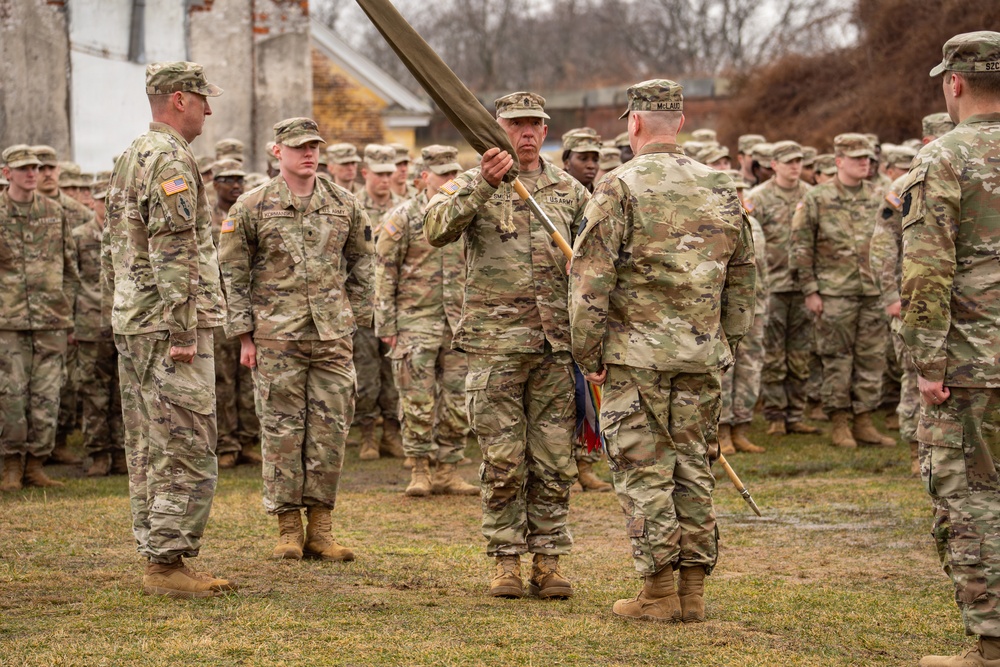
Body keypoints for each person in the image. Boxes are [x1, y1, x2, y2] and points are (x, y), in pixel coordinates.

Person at [569, 79, 755, 623]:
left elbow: (590, 279)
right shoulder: (722, 185)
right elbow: (743, 275)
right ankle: (692, 591)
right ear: (680, 121)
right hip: (700, 355)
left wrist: (587, 352)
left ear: (632, 124)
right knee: (694, 467)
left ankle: (658, 592)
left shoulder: (619, 185)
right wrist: (726, 343)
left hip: (635, 357)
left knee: (643, 468)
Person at [425, 91, 589, 600]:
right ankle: (504, 561)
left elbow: (595, 261)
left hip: (556, 346)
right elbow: (434, 229)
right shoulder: (476, 182)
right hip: (496, 346)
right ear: (496, 127)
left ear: (546, 130)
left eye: (533, 125)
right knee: (502, 458)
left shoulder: (569, 191)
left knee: (554, 459)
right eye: (515, 124)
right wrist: (480, 184)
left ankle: (548, 560)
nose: (524, 133)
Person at [102, 61, 236, 597]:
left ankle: (160, 553)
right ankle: (167, 562)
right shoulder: (168, 159)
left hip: (137, 320)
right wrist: (183, 330)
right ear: (179, 99)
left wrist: (122, 307)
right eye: (203, 98)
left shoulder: (133, 154)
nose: (210, 108)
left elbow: (110, 244)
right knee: (185, 440)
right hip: (167, 326)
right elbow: (174, 251)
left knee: (148, 442)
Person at [220, 117, 373, 564]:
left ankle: (321, 528)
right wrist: (245, 335)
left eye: (314, 146)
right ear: (277, 151)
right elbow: (230, 271)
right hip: (276, 335)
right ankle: (288, 526)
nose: (309, 153)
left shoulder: (344, 203)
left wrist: (354, 318)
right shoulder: (251, 206)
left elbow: (364, 263)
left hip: (330, 336)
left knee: (329, 430)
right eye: (299, 146)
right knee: (282, 430)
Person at [896, 31, 1000, 667]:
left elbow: (926, 273)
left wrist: (926, 363)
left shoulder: (944, 158)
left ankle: (992, 641)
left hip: (969, 362)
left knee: (969, 499)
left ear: (953, 84)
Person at [375, 145, 477, 497]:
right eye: (443, 174)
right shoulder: (402, 216)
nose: (451, 179)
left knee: (457, 400)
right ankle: (419, 469)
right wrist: (386, 325)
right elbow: (384, 272)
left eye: (454, 173)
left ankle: (448, 470)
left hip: (458, 322)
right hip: (415, 321)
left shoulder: (467, 213)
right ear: (423, 178)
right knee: (417, 401)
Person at [792, 133, 894, 449]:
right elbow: (801, 245)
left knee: (871, 358)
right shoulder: (816, 198)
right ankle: (839, 422)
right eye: (857, 158)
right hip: (834, 293)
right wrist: (810, 289)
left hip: (873, 292)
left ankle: (863, 420)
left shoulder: (880, 195)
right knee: (836, 359)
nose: (865, 162)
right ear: (839, 162)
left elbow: (891, 243)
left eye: (868, 158)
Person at [0, 145, 78, 491]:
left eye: (35, 167)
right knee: (11, 395)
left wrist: (68, 312)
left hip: (51, 320)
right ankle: (10, 466)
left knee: (47, 396)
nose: (32, 173)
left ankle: (35, 464)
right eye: (23, 168)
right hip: (8, 322)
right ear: (6, 174)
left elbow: (68, 265)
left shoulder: (53, 211)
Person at [746, 140, 821, 437]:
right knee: (774, 354)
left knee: (801, 353)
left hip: (803, 286)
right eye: (788, 161)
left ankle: (796, 414)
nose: (795, 166)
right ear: (773, 164)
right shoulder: (758, 198)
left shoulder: (812, 196)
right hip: (773, 287)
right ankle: (775, 414)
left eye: (799, 161)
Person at [33, 145, 94, 466]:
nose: (44, 174)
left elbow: (85, 269)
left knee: (67, 382)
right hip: (29, 308)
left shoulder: (77, 213)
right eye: (38, 168)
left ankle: (58, 441)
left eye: (49, 168)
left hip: (71, 310)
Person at [208, 159, 261, 469]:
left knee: (250, 377)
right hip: (219, 308)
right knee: (223, 378)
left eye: (239, 178)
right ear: (215, 184)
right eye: (228, 179)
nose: (236, 184)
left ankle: (248, 440)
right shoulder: (207, 217)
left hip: (251, 305)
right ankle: (226, 442)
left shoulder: (249, 212)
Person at [353, 144, 403, 460]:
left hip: (395, 306)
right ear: (366, 173)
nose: (385, 180)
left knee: (394, 373)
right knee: (365, 373)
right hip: (362, 305)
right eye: (379, 174)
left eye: (390, 173)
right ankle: (368, 434)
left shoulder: (404, 208)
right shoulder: (352, 206)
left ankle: (392, 433)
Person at [73, 174, 125, 476]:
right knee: (94, 393)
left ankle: (120, 452)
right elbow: (71, 279)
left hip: (122, 322)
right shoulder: (80, 236)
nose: (108, 205)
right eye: (103, 200)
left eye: (113, 199)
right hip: (91, 324)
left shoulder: (127, 234)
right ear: (93, 201)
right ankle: (96, 453)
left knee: (122, 393)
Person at [560, 128, 601, 193]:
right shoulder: (553, 194)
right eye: (583, 159)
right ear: (567, 163)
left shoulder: (602, 194)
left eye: (595, 160)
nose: (591, 166)